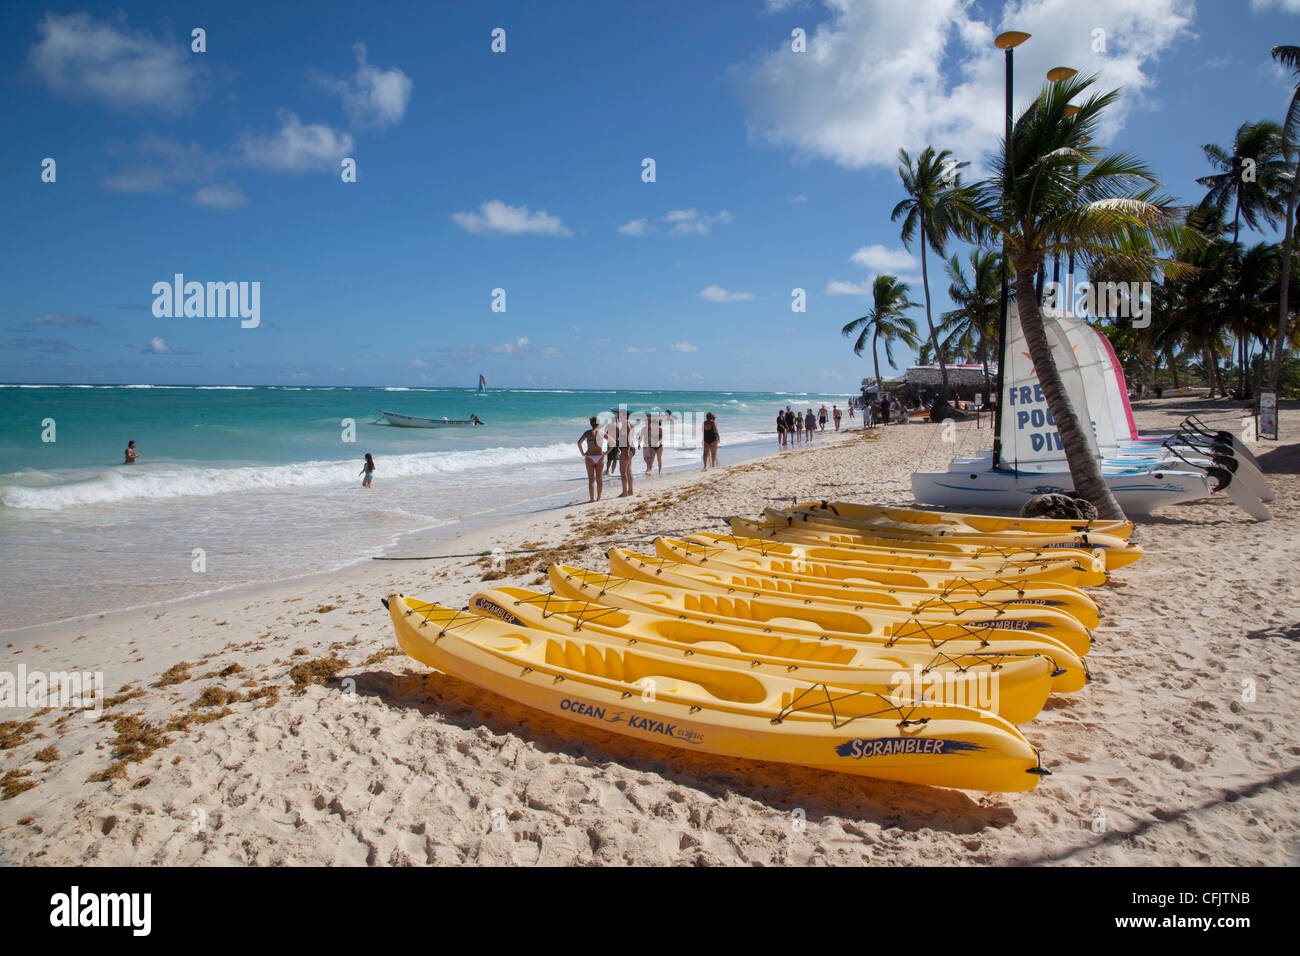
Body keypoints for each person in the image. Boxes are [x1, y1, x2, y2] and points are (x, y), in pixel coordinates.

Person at [578, 416, 606, 502]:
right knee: (599, 478)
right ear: (598, 423)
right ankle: (599, 498)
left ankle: (591, 499)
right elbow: (613, 442)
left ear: (591, 423)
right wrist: (606, 452)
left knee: (591, 479)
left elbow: (579, 443)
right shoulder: (601, 433)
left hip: (589, 457)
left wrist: (583, 453)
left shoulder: (587, 433)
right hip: (600, 456)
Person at [643, 412, 664, 477]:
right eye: (653, 424)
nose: (654, 425)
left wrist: (659, 442)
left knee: (659, 459)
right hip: (652, 446)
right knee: (651, 459)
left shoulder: (660, 429)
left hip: (659, 446)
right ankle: (650, 471)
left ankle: (660, 471)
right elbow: (649, 439)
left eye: (655, 424)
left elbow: (662, 438)